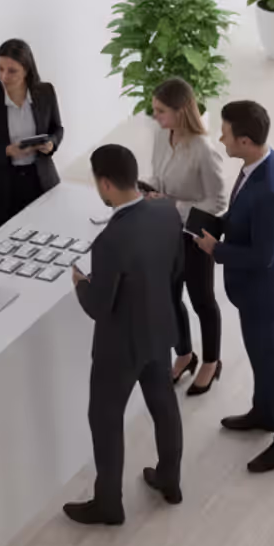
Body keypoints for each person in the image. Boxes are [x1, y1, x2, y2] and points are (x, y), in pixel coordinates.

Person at [65, 144, 187, 526]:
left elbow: (99, 307)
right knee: (163, 404)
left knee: (104, 417)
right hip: (159, 328)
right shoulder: (167, 212)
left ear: (105, 184)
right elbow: (175, 270)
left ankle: (109, 504)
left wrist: (81, 283)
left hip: (120, 346)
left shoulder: (109, 240)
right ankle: (170, 479)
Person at [195, 101, 274, 473]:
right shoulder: (261, 164)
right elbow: (244, 215)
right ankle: (263, 413)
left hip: (264, 292)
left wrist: (216, 249)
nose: (220, 137)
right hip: (252, 291)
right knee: (261, 357)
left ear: (244, 140)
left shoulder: (271, 189)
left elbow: (263, 256)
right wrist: (215, 225)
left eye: (225, 133)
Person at [144, 77, 229, 395]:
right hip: (165, 230)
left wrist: (174, 205)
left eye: (161, 111)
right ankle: (184, 354)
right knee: (169, 297)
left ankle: (211, 361)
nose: (156, 117)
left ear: (181, 112)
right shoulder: (160, 134)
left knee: (201, 300)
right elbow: (157, 172)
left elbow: (218, 201)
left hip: (195, 235)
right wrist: (149, 187)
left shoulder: (204, 150)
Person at [0, 38, 65, 231]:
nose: (4, 76)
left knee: (45, 238)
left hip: (40, 181)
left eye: (12, 71)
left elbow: (57, 128)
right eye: (0, 68)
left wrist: (51, 144)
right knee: (4, 244)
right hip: (3, 186)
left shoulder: (45, 92)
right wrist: (6, 151)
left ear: (27, 70)